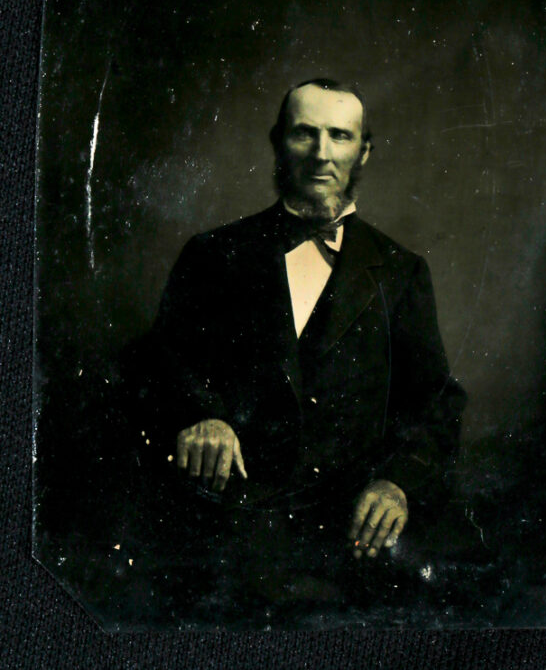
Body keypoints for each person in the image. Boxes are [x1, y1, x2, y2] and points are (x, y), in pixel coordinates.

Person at [123, 78, 466, 614]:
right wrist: (200, 416)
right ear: (278, 142)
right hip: (224, 540)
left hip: (348, 546)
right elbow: (157, 361)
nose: (322, 153)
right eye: (304, 134)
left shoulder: (401, 272)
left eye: (340, 136)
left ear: (364, 151)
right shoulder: (213, 254)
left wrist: (399, 483)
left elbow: (436, 402)